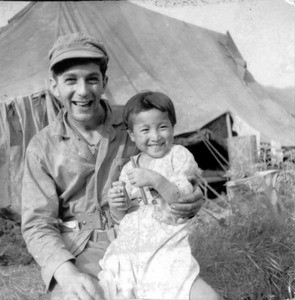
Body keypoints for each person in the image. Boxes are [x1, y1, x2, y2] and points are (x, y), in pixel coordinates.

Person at [21, 32, 204, 300]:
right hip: (82, 248)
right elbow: (37, 223)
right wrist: (66, 273)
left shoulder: (135, 124)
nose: (82, 91)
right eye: (71, 80)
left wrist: (195, 194)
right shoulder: (42, 147)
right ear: (53, 85)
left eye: (92, 79)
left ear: (104, 82)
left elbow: (176, 164)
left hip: (146, 239)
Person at [98, 91, 221, 300]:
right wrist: (117, 202)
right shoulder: (130, 166)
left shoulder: (178, 155)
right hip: (130, 250)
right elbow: (121, 217)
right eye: (145, 130)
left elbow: (180, 200)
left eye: (162, 127)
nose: (155, 137)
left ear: (173, 127)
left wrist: (157, 180)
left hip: (166, 247)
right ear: (132, 135)